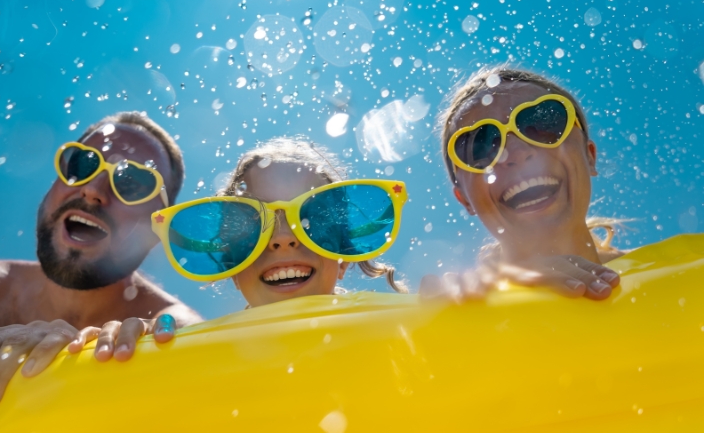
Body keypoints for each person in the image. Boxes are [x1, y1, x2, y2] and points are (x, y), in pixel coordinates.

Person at [0, 112, 202, 414]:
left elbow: (193, 344)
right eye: (81, 164)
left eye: (133, 182)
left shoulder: (168, 325)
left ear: (158, 228)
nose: (93, 189)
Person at [75, 137, 408, 359]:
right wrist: (135, 354)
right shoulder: (205, 362)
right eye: (251, 228)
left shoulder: (397, 336)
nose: (282, 239)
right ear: (233, 267)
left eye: (313, 222)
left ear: (343, 260)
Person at [421, 66, 623, 300]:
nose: (515, 152)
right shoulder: (466, 309)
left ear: (589, 156)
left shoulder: (673, 270)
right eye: (480, 146)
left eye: (542, 123)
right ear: (465, 199)